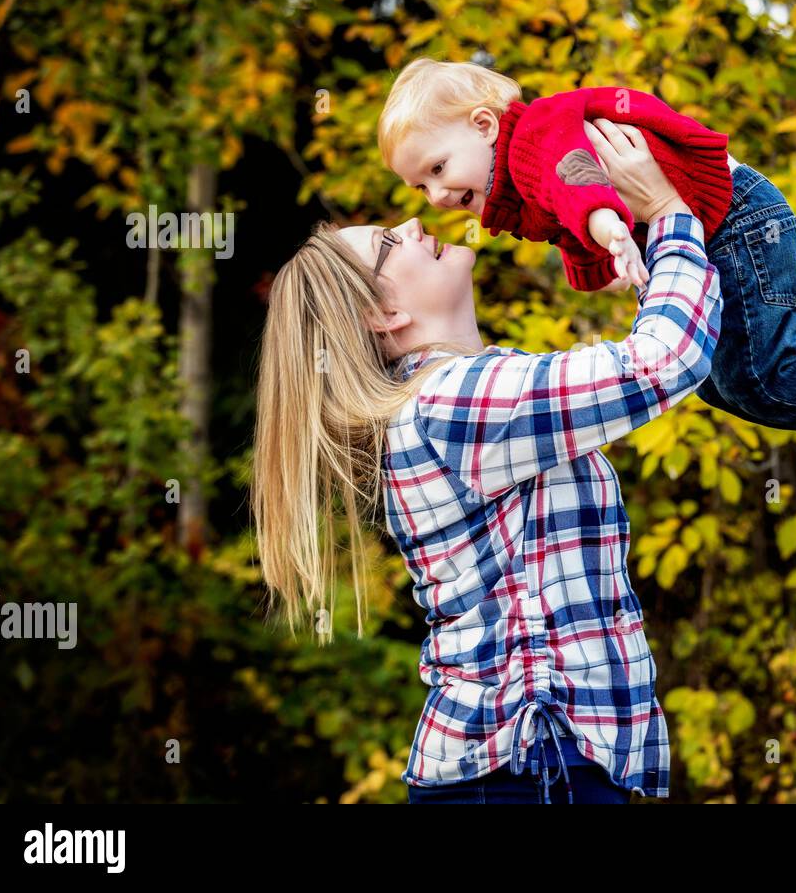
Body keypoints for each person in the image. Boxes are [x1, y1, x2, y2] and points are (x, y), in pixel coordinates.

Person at [251, 120, 720, 802]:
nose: (412, 223)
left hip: (528, 767)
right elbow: (663, 361)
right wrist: (671, 217)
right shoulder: (451, 405)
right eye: (388, 243)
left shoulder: (450, 400)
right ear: (383, 314)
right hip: (532, 768)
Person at [377, 58, 796, 505]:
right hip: (720, 225)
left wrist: (610, 227)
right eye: (420, 188)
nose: (437, 197)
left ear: (483, 126)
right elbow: (564, 217)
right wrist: (607, 254)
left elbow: (574, 173)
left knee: (754, 381)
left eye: (437, 169)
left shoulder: (534, 136)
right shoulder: (517, 185)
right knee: (714, 380)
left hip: (736, 222)